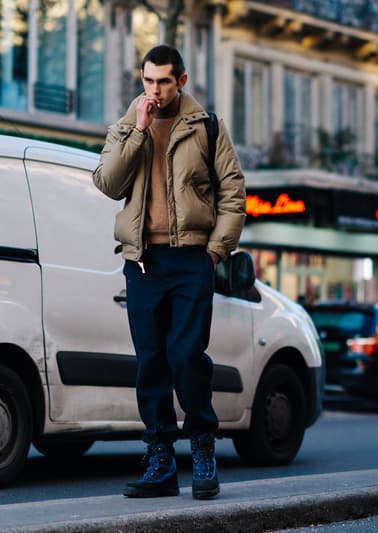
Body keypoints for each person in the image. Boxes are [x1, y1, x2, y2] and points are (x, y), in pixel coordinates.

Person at [93, 45, 246, 499]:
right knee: (151, 362)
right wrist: (138, 131)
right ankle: (160, 458)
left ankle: (201, 449)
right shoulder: (126, 126)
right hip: (142, 262)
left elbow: (233, 192)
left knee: (186, 357)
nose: (154, 90)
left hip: (190, 261)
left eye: (163, 81)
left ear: (180, 80)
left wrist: (214, 252)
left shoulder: (207, 127)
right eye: (147, 81)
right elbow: (108, 182)